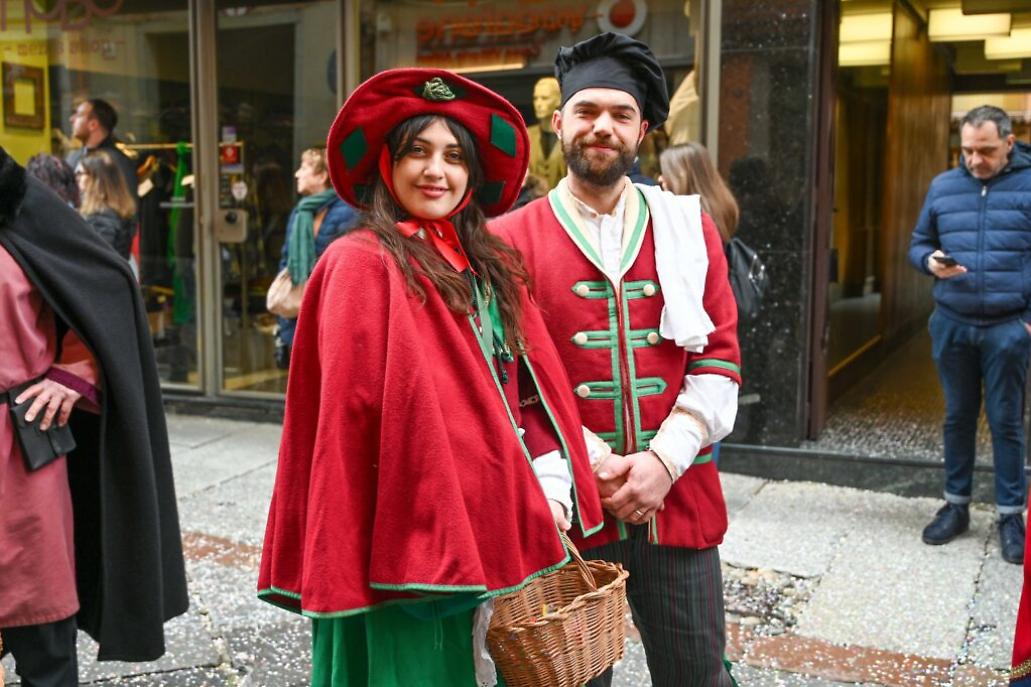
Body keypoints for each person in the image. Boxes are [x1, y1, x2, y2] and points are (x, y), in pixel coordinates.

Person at [257, 68, 604, 686]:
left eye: (453, 156)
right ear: (387, 165)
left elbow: (524, 388)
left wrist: (549, 485)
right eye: (417, 152)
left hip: (495, 519)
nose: (435, 171)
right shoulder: (356, 264)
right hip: (397, 539)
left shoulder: (492, 267)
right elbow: (348, 424)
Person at [490, 32, 741, 686]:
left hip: (677, 499)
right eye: (587, 111)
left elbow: (718, 357)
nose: (602, 126)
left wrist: (662, 462)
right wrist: (594, 462)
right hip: (566, 503)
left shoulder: (688, 225)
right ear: (559, 123)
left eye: (620, 114)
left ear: (642, 132)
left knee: (697, 676)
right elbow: (508, 381)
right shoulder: (506, 239)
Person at [0, 147, 187, 684]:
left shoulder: (14, 202)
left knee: (41, 631)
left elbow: (102, 285)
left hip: (19, 451)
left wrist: (72, 371)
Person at [908, 105, 1031, 565]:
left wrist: (1026, 323)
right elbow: (918, 243)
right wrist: (929, 262)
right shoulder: (943, 186)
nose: (976, 160)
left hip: (1008, 327)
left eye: (986, 150)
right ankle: (955, 506)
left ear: (1009, 143)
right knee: (957, 417)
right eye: (968, 151)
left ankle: (1010, 516)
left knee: (1006, 421)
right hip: (953, 322)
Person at [273, 146, 358, 369]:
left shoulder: (348, 212)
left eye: (304, 168)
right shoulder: (300, 212)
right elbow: (286, 261)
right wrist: (283, 319)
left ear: (322, 176)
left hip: (330, 316)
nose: (297, 174)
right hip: (298, 315)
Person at [66, 98, 138, 209]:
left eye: (78, 115)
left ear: (93, 124)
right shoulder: (72, 158)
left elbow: (127, 209)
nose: (71, 119)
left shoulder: (118, 163)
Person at [659, 142, 739, 243]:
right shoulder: (724, 207)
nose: (660, 178)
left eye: (667, 173)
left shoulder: (692, 221)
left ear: (682, 175)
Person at [76, 150, 137, 261]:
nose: (77, 178)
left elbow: (98, 259)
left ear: (95, 178)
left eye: (80, 173)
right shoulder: (117, 210)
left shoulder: (100, 216)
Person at [527, 76, 566, 190]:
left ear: (558, 100)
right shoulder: (527, 135)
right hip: (532, 199)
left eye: (544, 98)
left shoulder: (569, 135)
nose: (538, 104)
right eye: (535, 98)